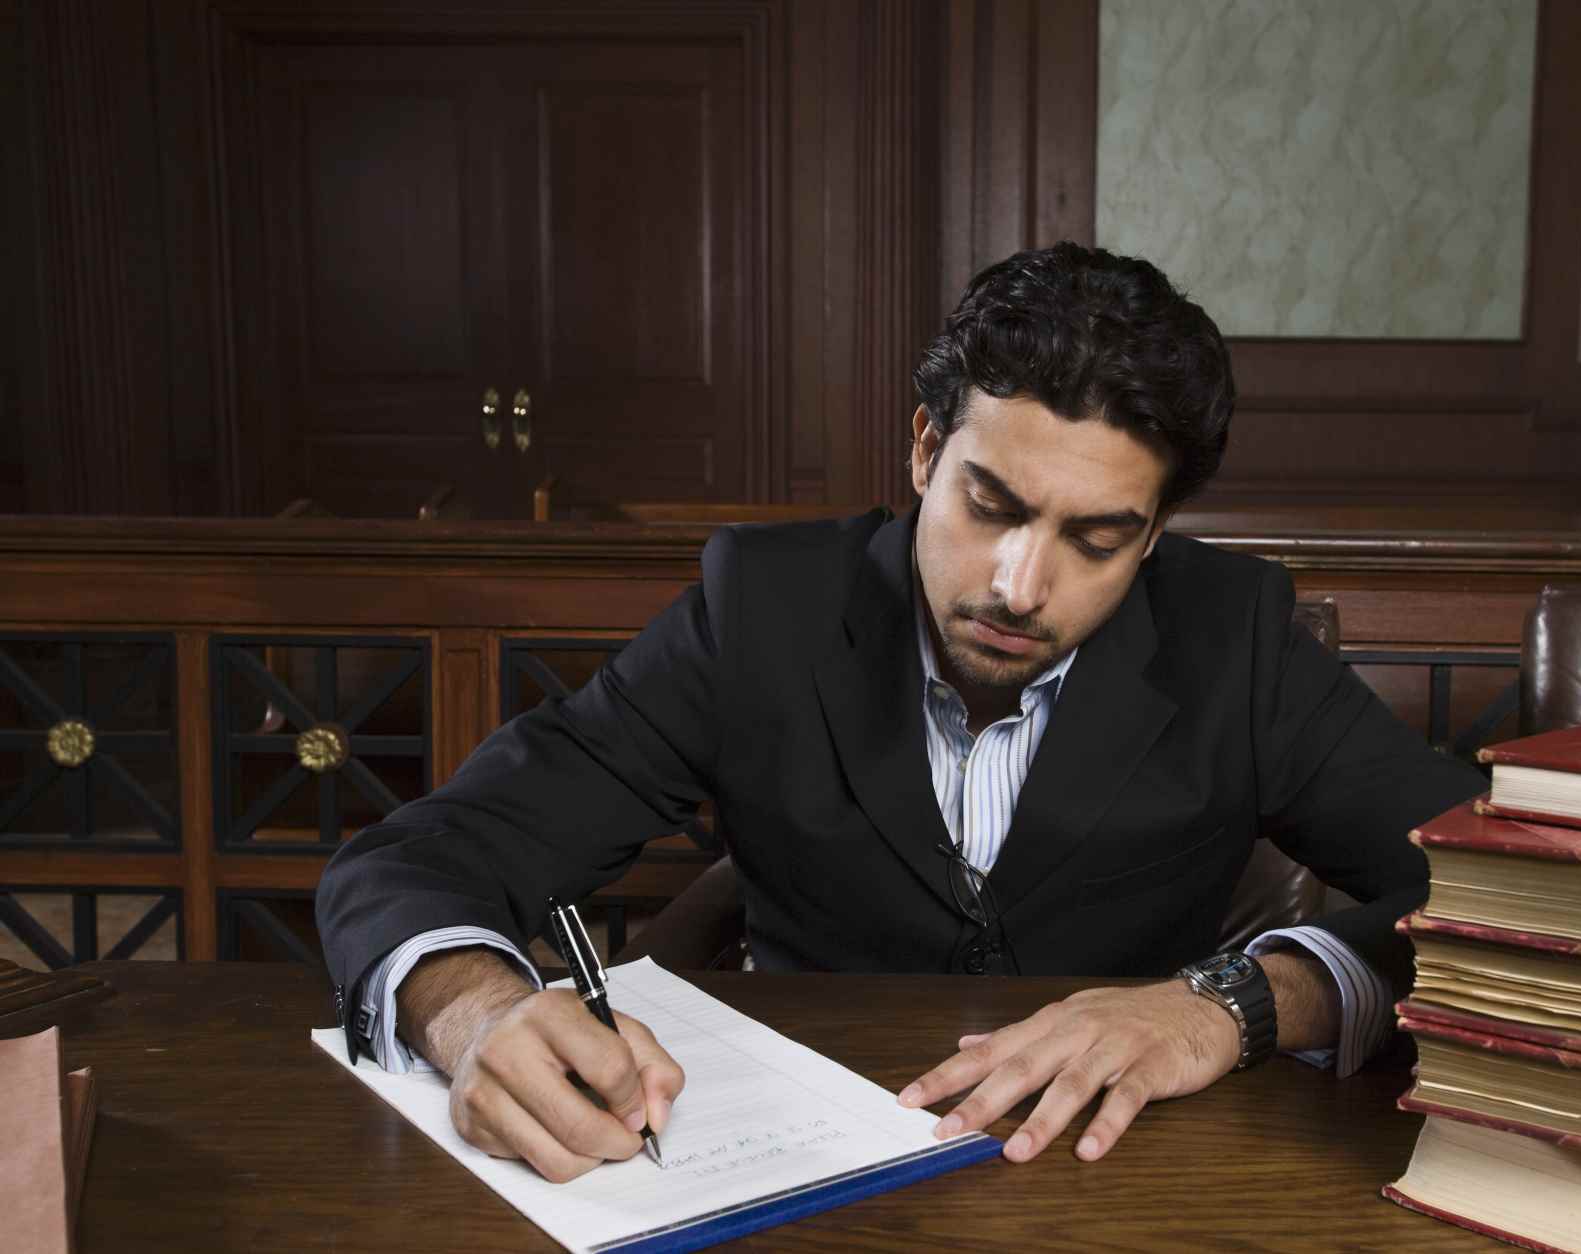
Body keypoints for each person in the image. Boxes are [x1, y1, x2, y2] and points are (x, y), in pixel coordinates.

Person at [315, 242, 1485, 1184]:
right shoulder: (760, 611)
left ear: (1155, 533)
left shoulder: (1232, 637)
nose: (1022, 588)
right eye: (992, 504)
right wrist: (472, 1014)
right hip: (781, 1176)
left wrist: (1235, 1004)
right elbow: (419, 857)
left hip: (1131, 1178)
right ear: (927, 449)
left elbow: (1505, 910)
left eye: (1097, 539)